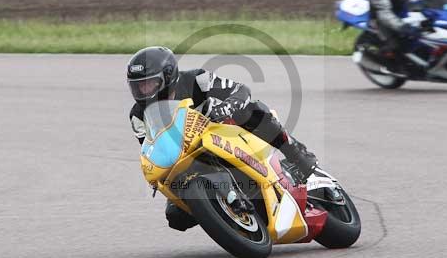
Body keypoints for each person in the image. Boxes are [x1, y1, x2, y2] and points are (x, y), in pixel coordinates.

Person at [126, 46, 318, 231]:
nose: (143, 91)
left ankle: (296, 153)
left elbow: (240, 90)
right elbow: (153, 148)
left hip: (223, 131)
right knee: (176, 217)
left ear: (167, 77)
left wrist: (225, 108)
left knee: (252, 111)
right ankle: (219, 213)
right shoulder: (138, 116)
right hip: (187, 160)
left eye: (148, 84)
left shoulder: (196, 79)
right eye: (138, 86)